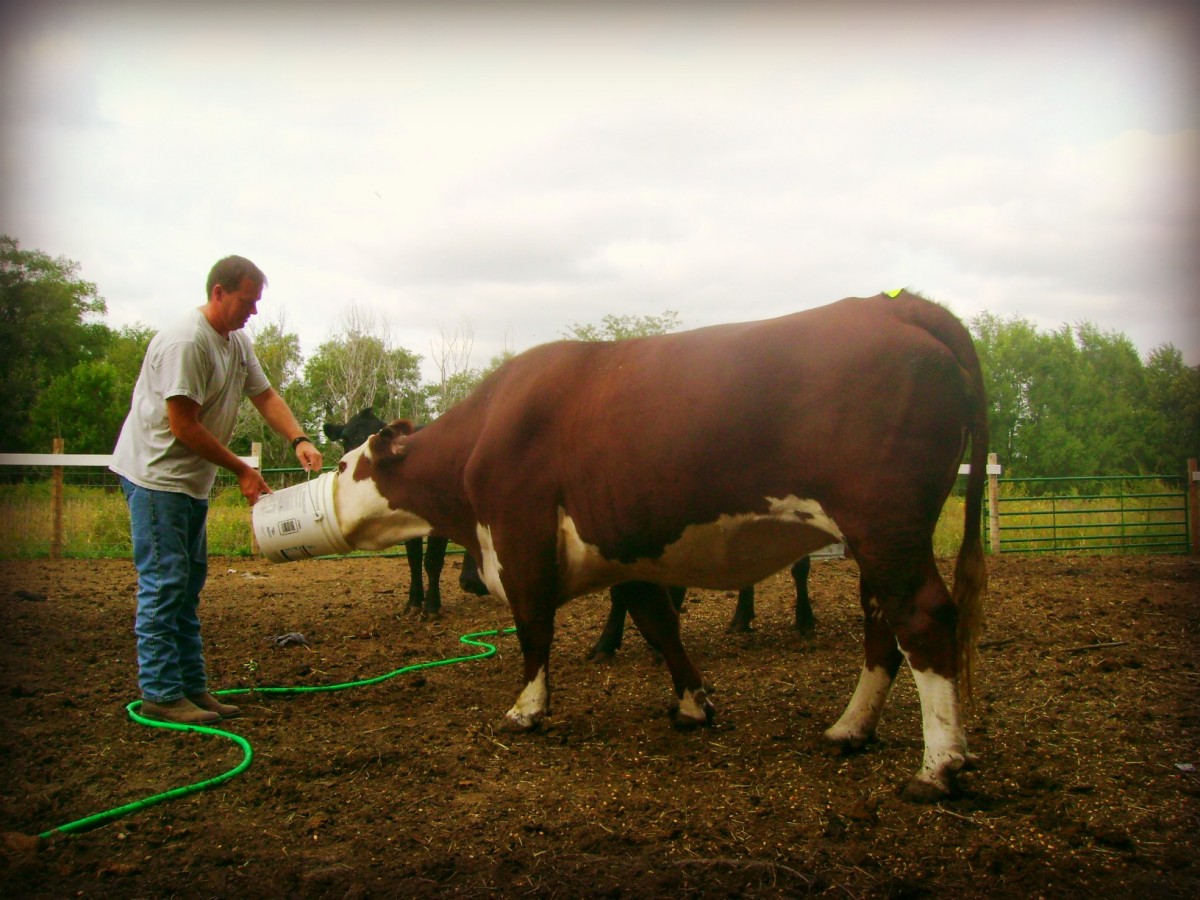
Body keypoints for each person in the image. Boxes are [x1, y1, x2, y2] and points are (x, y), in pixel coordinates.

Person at [109, 255, 322, 725]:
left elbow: (264, 395)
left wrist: (299, 437)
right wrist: (244, 471)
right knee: (165, 586)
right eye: (248, 301)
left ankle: (191, 688)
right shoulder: (187, 342)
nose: (254, 312)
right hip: (155, 478)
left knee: (187, 587)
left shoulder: (236, 341)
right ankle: (162, 694)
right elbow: (183, 426)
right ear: (219, 293)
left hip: (189, 483)